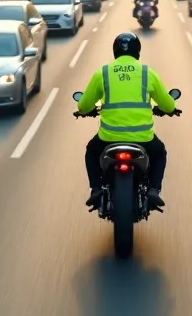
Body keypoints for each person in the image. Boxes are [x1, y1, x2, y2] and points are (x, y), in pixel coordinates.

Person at [75, 33, 177, 209]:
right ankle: (153, 190)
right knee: (159, 153)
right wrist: (168, 110)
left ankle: (96, 189)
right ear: (138, 51)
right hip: (143, 138)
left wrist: (87, 111)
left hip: (109, 137)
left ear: (114, 51)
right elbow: (168, 105)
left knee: (91, 152)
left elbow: (83, 106)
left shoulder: (103, 72)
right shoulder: (147, 73)